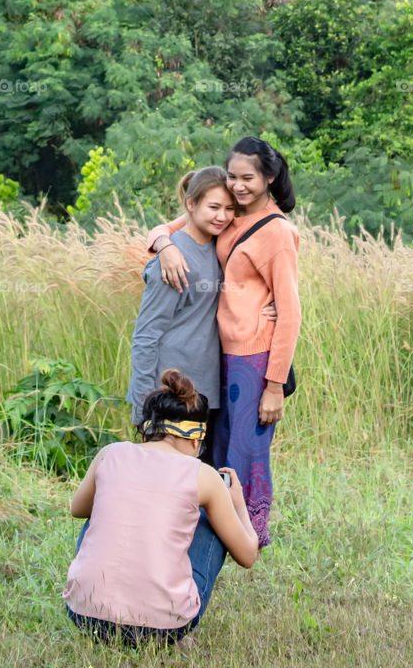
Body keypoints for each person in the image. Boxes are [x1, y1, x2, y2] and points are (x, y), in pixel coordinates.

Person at [147, 137, 300, 547]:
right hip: (224, 357)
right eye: (232, 176)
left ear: (269, 177)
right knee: (219, 450)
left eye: (247, 178)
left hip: (255, 359)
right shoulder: (230, 217)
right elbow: (168, 226)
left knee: (245, 457)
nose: (237, 186)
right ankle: (211, 535)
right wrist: (164, 248)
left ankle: (249, 540)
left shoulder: (278, 232)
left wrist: (274, 386)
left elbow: (290, 312)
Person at [63, 369, 258, 646]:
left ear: (148, 431)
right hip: (163, 628)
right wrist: (237, 504)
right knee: (209, 517)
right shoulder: (203, 476)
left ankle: (102, 602)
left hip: (84, 616)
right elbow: (248, 555)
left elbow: (77, 508)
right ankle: (174, 621)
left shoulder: (111, 454)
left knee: (97, 510)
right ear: (195, 440)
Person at [127, 166, 231, 463]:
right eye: (214, 207)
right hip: (169, 394)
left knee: (199, 484)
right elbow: (146, 335)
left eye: (228, 208)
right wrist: (144, 405)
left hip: (206, 390)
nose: (221, 216)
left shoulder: (219, 248)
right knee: (166, 485)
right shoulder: (172, 260)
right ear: (191, 204)